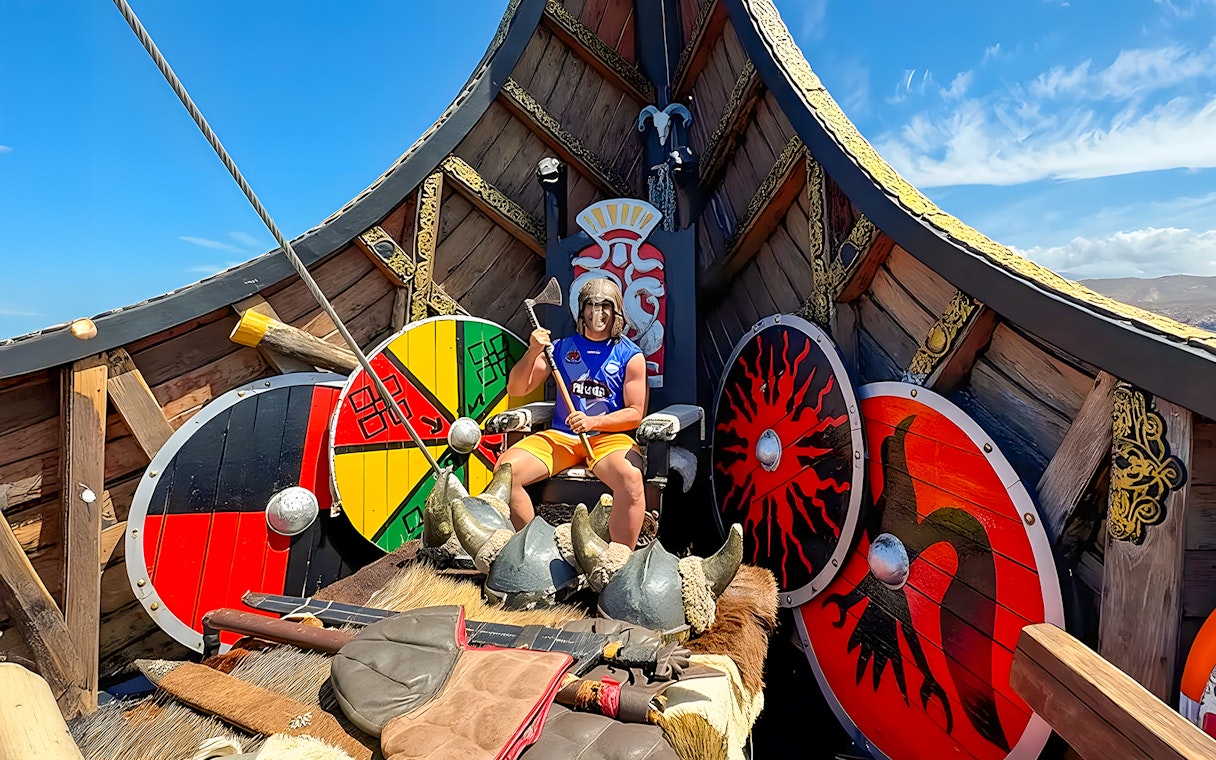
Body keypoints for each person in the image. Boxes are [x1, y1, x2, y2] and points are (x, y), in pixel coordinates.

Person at [498, 277, 648, 548]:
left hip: (608, 440)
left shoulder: (631, 355)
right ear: (581, 310)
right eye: (591, 305)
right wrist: (533, 351)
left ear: (617, 311)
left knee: (631, 478)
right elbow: (517, 388)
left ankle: (620, 558)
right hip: (562, 438)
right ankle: (532, 549)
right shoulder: (559, 349)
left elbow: (635, 414)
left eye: (605, 306)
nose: (597, 313)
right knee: (506, 472)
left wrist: (593, 421)